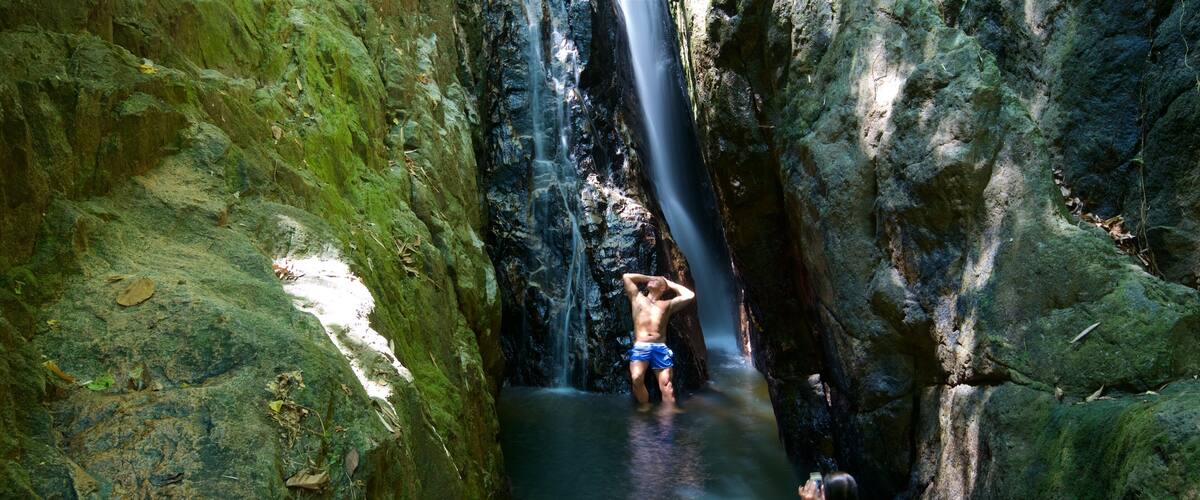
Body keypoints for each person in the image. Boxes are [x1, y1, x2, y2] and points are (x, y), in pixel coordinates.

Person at [621, 273, 695, 408]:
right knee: (636, 378)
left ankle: (668, 419)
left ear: (663, 288)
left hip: (659, 347)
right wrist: (650, 278)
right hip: (640, 346)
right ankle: (645, 409)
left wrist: (668, 282)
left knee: (666, 384)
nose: (653, 279)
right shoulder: (637, 298)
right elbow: (626, 277)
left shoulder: (666, 305)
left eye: (657, 280)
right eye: (652, 279)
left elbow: (689, 295)